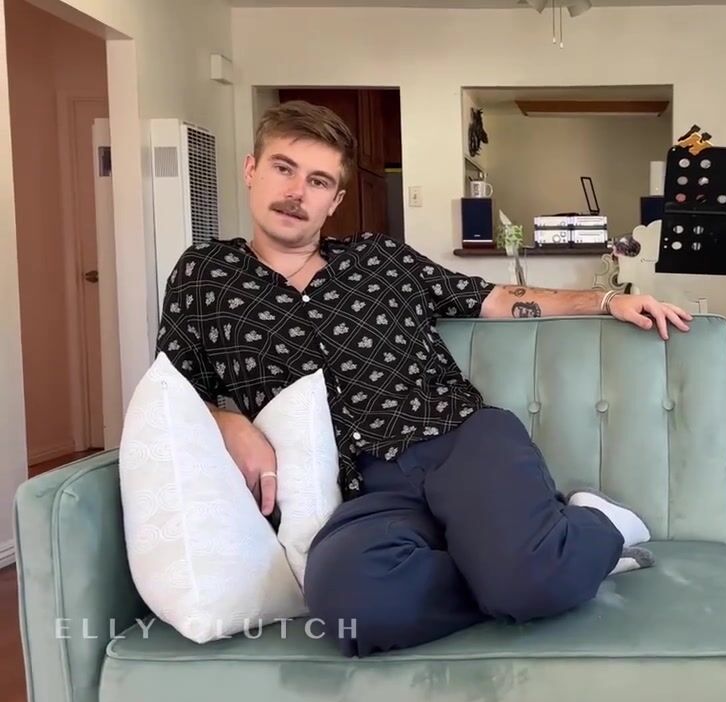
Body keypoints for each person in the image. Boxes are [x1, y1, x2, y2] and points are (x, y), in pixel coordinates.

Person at [155, 100, 693, 657]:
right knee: (352, 609)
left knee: (529, 582)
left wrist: (605, 300)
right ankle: (518, 557)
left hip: (460, 442)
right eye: (283, 168)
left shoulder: (378, 258)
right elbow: (174, 389)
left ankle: (596, 524)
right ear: (251, 169)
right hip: (366, 487)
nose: (296, 192)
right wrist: (230, 422)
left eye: (318, 181)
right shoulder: (204, 275)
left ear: (334, 200)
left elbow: (493, 298)